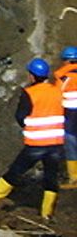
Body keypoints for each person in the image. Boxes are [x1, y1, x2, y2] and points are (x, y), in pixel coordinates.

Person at [0, 57, 64, 219]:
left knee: (16, 171)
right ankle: (47, 213)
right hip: (56, 143)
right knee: (51, 177)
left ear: (32, 75)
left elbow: (20, 116)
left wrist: (30, 126)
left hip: (36, 143)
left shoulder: (29, 93)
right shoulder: (57, 90)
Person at [56, 46, 77, 188]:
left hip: (70, 113)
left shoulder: (63, 76)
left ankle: (74, 178)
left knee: (70, 142)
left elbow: (57, 96)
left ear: (65, 61)